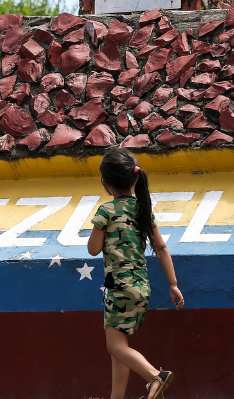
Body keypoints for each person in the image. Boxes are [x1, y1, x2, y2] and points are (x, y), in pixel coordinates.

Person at [88, 146, 185, 399]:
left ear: (106, 182)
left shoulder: (106, 211)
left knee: (114, 345)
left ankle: (156, 376)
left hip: (119, 288)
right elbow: (161, 247)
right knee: (119, 348)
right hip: (141, 287)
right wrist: (173, 285)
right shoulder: (143, 210)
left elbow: (92, 249)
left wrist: (99, 230)